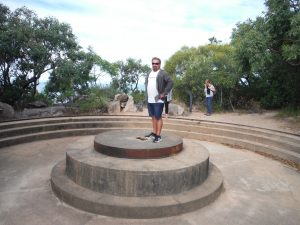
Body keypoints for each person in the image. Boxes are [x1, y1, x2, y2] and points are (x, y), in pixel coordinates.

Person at [144, 57, 173, 143]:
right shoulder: (149, 73)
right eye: (153, 63)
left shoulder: (163, 73)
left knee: (158, 117)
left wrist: (164, 93)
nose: (154, 65)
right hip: (150, 99)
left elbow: (171, 82)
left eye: (156, 63)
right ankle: (153, 133)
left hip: (158, 100)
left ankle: (158, 135)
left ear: (159, 64)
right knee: (153, 117)